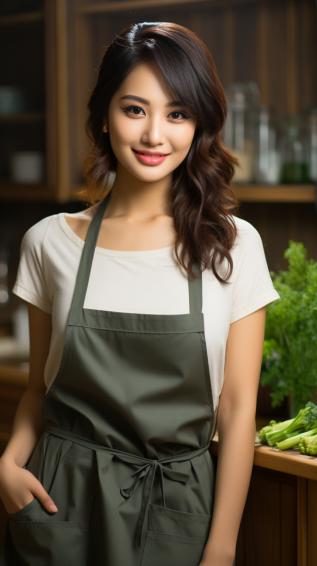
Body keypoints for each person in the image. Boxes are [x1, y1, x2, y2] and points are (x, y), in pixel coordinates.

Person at [0, 22, 280, 566]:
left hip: (178, 509)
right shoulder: (50, 241)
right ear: (104, 116)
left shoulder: (233, 245)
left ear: (199, 124)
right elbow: (39, 389)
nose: (155, 134)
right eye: (135, 109)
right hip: (60, 503)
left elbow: (238, 408)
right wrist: (8, 464)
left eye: (177, 114)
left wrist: (222, 547)